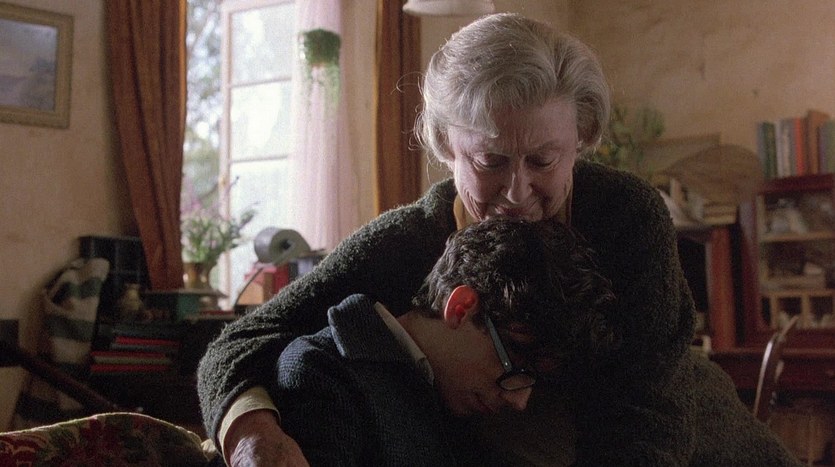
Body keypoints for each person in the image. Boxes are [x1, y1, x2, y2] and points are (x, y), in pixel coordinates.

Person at [198, 12, 800, 466]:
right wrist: (252, 434)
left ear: (581, 140)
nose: (517, 192)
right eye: (490, 161)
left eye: (543, 161)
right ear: (446, 145)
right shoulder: (410, 239)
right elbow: (241, 340)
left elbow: (647, 414)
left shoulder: (625, 215)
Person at [270, 217, 615, 465]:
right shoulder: (324, 372)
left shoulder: (456, 402)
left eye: (532, 381)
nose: (519, 401)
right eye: (516, 367)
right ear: (461, 308)